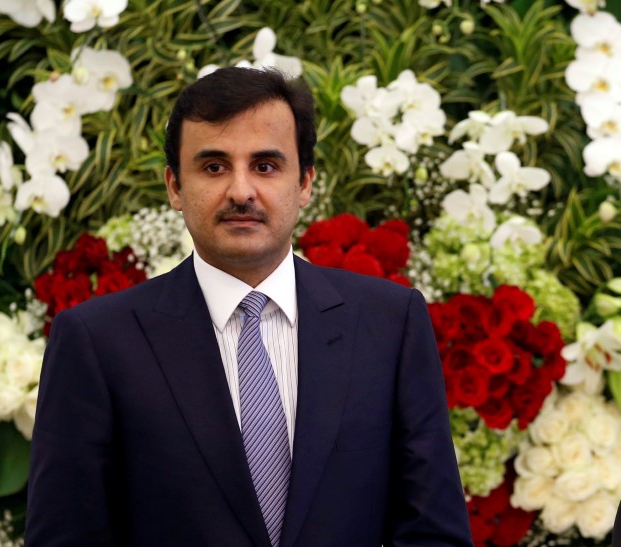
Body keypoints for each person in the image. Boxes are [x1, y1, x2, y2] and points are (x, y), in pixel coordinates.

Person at [26, 66, 473, 546]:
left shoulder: (390, 324)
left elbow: (434, 534)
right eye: (214, 166)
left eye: (265, 166)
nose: (241, 191)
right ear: (175, 186)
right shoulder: (97, 342)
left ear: (304, 184)